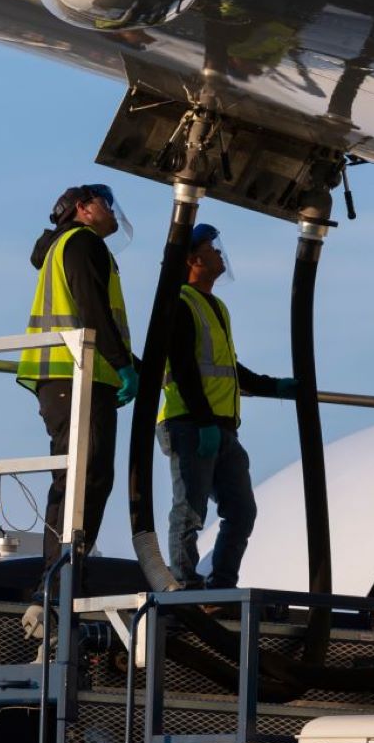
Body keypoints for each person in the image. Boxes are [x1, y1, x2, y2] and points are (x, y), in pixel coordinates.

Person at [16, 184, 140, 591]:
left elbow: (96, 318)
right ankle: (60, 576)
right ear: (83, 209)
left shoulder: (67, 247)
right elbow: (92, 311)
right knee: (84, 477)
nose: (112, 211)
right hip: (76, 374)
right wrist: (124, 366)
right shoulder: (83, 242)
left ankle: (63, 572)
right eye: (105, 203)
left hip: (73, 375)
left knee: (81, 475)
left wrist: (129, 365)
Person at [158, 224, 295, 590]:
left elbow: (229, 368)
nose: (220, 254)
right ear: (193, 259)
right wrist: (203, 422)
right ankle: (184, 585)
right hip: (189, 423)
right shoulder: (179, 302)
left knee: (241, 510)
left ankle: (221, 585)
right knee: (189, 511)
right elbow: (185, 369)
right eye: (212, 248)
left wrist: (274, 386)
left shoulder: (215, 306)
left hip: (220, 426)